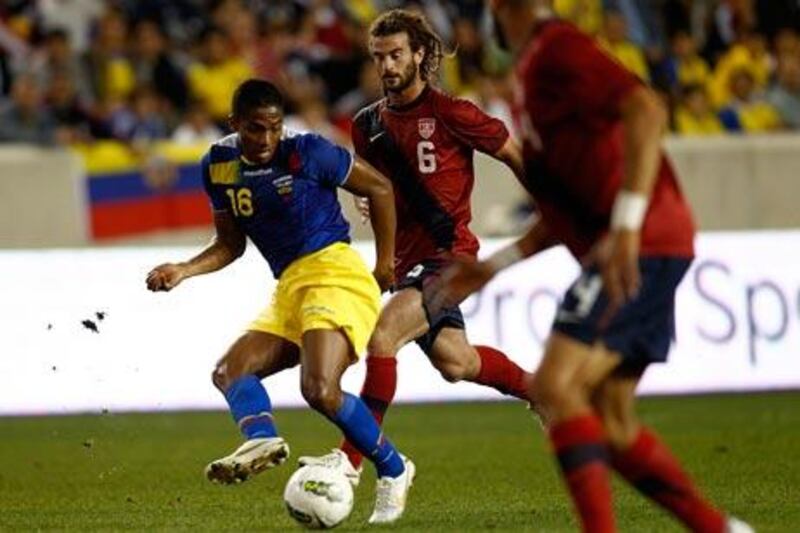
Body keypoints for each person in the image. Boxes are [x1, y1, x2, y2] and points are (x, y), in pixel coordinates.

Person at [430, 2, 753, 532]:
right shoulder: (530, 75)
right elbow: (563, 209)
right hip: (639, 241)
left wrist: (626, 225)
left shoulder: (557, 48)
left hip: (638, 241)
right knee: (612, 421)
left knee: (557, 389)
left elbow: (647, 109)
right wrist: (496, 265)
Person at [145, 79, 413, 525]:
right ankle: (262, 440)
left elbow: (381, 189)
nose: (267, 139)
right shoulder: (220, 164)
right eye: (255, 129)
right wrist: (184, 269)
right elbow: (230, 244)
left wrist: (385, 263)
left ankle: (394, 468)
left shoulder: (308, 152)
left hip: (334, 274)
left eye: (274, 127)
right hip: (290, 284)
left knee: (319, 389)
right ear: (234, 124)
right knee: (229, 371)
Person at [299, 9, 536, 485]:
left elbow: (514, 154)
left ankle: (351, 460)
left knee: (382, 336)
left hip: (451, 256)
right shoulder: (367, 125)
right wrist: (370, 202)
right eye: (379, 57)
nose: (386, 66)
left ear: (421, 54)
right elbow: (374, 187)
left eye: (396, 55)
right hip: (409, 263)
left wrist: (553, 208)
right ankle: (541, 390)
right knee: (456, 361)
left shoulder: (452, 113)